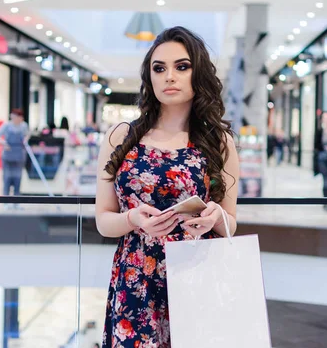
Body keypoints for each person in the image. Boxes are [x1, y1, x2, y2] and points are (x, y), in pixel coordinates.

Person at [95, 26, 239, 347]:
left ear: (197, 73)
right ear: (149, 77)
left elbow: (230, 220)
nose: (169, 76)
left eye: (181, 66)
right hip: (135, 278)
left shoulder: (218, 143)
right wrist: (133, 219)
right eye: (159, 68)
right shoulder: (121, 137)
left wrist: (214, 217)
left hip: (194, 273)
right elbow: (103, 220)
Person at [0, 109, 29, 208]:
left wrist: (25, 139)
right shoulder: (7, 126)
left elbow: (27, 134)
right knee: (7, 179)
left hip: (19, 156)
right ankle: (5, 202)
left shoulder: (23, 126)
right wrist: (4, 144)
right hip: (8, 156)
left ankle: (16, 202)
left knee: (18, 180)